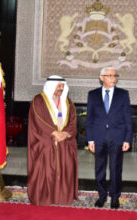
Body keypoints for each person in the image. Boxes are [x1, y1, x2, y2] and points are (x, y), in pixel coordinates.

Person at [27, 75, 78, 206]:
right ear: (51, 86)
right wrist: (54, 132)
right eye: (58, 85)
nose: (61, 88)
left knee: (65, 167)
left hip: (64, 142)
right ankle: (44, 197)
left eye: (62, 86)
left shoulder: (67, 102)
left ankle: (62, 196)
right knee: (47, 170)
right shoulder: (38, 100)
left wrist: (66, 133)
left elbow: (73, 121)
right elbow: (38, 120)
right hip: (46, 142)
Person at [86, 67, 132, 209]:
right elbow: (90, 119)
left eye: (115, 75)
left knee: (115, 168)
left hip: (117, 137)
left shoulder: (123, 94)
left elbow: (127, 118)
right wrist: (90, 139)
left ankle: (115, 197)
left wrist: (127, 139)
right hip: (98, 137)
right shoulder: (92, 94)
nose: (114, 78)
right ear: (101, 77)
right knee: (99, 168)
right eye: (110, 75)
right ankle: (101, 195)